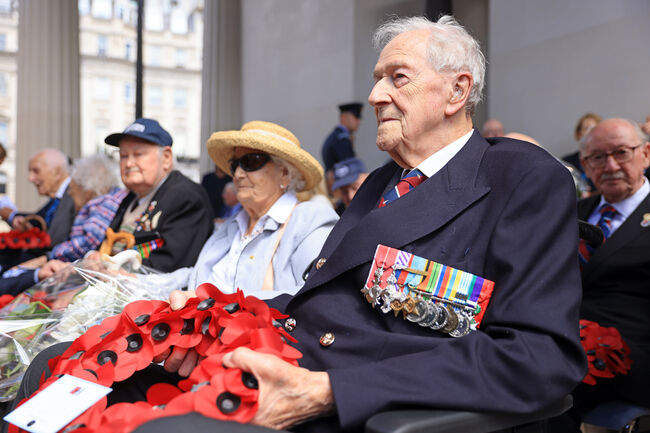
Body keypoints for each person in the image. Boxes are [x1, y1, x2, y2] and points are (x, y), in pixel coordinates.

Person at [9, 15, 585, 433]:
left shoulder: (519, 179)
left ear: (458, 90)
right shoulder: (384, 185)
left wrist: (331, 392)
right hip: (285, 359)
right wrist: (209, 332)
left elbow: (539, 356)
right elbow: (321, 298)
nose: (375, 94)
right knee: (57, 376)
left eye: (397, 78)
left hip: (365, 402)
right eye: (377, 77)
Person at [157, 120, 338, 299]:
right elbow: (196, 277)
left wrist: (213, 303)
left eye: (251, 162)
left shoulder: (310, 221)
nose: (237, 174)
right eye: (235, 165)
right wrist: (138, 281)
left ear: (284, 173)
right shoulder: (233, 225)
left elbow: (316, 295)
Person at [548, 118, 650, 431]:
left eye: (621, 153)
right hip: (558, 334)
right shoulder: (571, 211)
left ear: (645, 154)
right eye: (597, 158)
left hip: (632, 348)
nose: (610, 165)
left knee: (543, 387)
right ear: (584, 164)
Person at [0, 155, 126, 296]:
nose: (70, 193)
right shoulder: (104, 203)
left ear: (88, 190)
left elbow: (86, 243)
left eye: (73, 188)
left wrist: (48, 257)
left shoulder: (103, 205)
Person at [102, 118, 214, 272]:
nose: (128, 163)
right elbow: (107, 244)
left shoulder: (186, 196)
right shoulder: (132, 198)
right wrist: (92, 259)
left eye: (138, 154)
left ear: (167, 158)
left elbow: (170, 266)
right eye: (123, 156)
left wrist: (107, 269)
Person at [0, 148, 75, 247]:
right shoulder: (58, 199)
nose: (30, 178)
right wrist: (12, 216)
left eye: (36, 171)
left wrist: (11, 215)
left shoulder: (75, 196)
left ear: (57, 172)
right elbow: (38, 220)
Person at [321, 102, 363, 173]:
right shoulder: (341, 139)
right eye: (355, 117)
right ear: (343, 117)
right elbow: (349, 169)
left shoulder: (337, 136)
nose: (358, 121)